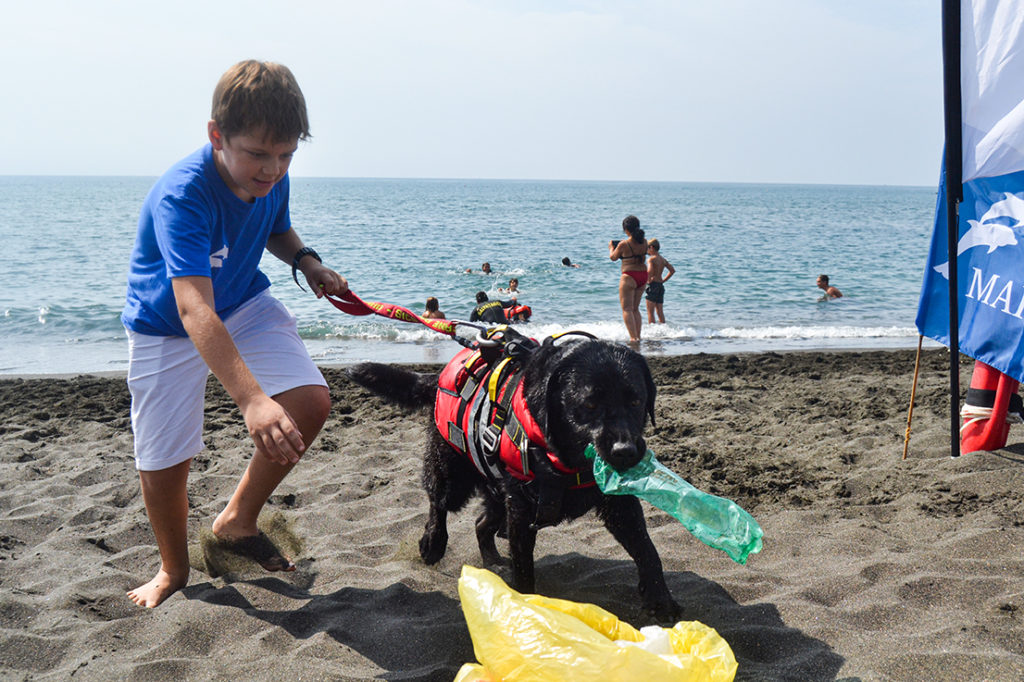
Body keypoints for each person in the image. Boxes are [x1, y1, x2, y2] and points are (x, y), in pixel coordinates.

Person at [120, 60, 348, 608]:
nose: (273, 169)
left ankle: (236, 522)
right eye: (259, 154)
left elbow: (275, 226)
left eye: (287, 155)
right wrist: (251, 400)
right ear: (216, 136)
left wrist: (306, 260)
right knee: (165, 458)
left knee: (309, 401)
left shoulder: (270, 175)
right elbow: (193, 307)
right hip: (166, 323)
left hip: (243, 299)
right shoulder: (184, 195)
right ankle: (173, 569)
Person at [608, 215, 648, 342]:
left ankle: (633, 338)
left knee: (627, 309)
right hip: (643, 275)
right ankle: (638, 336)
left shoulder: (624, 244)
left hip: (629, 276)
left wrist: (611, 248)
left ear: (626, 230)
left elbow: (613, 258)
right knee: (635, 309)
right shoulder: (645, 241)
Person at [645, 239, 675, 323]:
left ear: (651, 247)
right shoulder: (662, 259)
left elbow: (649, 271)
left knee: (650, 312)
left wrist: (648, 280)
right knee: (660, 311)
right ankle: (663, 329)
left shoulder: (651, 259)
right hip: (660, 286)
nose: (646, 251)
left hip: (653, 285)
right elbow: (672, 270)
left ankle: (652, 330)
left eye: (647, 248)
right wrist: (663, 281)